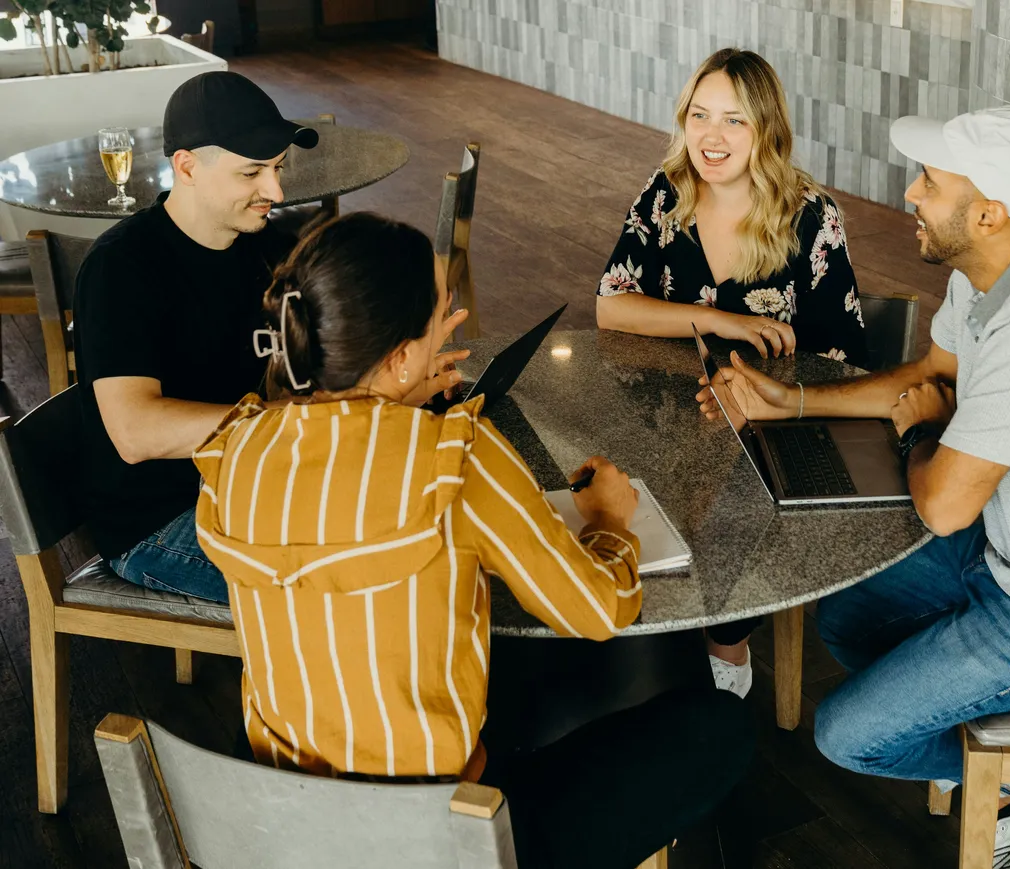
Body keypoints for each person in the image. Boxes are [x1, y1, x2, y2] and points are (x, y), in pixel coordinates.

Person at [695, 106, 1010, 869]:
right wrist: (789, 400)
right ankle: (1008, 765)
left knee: (851, 735)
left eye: (930, 180)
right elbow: (931, 378)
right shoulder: (997, 271)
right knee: (851, 618)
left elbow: (943, 501)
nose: (910, 192)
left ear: (988, 213)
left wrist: (916, 434)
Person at [193, 212, 754, 869]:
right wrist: (608, 520)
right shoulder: (451, 456)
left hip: (284, 828)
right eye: (440, 317)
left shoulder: (236, 448)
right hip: (440, 841)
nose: (452, 328)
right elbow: (601, 608)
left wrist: (396, 393)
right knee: (720, 728)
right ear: (399, 355)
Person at [596, 47, 869, 695]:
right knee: (606, 485)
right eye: (700, 116)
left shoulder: (810, 215)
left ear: (766, 131)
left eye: (734, 121)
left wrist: (761, 392)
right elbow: (611, 305)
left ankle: (726, 646)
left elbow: (843, 358)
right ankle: (653, 629)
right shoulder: (667, 193)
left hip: (769, 423)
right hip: (667, 408)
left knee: (732, 496)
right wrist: (718, 320)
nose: (711, 138)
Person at [73, 72, 323, 603]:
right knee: (347, 586)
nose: (275, 192)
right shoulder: (123, 267)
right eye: (252, 172)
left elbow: (317, 366)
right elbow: (136, 431)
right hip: (160, 519)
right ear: (186, 166)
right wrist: (296, 423)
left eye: (278, 168)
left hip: (260, 482)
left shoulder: (272, 247)